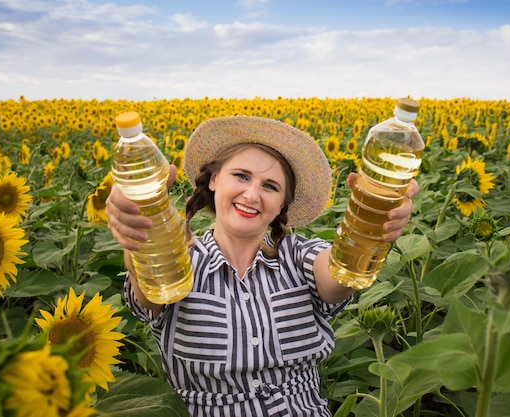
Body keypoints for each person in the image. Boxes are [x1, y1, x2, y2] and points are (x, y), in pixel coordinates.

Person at [106, 115, 418, 417]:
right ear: (214, 179)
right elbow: (149, 292)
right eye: (241, 176)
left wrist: (374, 222)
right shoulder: (179, 261)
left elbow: (338, 278)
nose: (252, 194)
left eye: (270, 186)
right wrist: (140, 233)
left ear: (283, 203)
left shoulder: (297, 257)